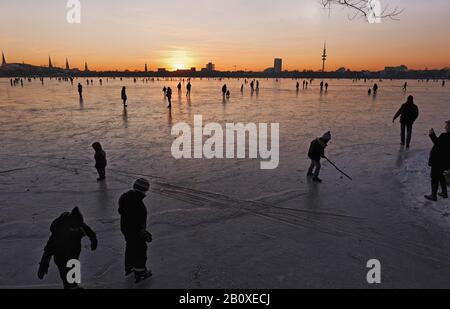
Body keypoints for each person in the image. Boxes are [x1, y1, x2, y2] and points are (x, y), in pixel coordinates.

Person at [38, 207, 97, 289]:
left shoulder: (78, 224)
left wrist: (93, 239)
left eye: (78, 228)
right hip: (61, 259)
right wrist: (43, 266)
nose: (77, 229)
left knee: (75, 279)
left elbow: (87, 230)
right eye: (75, 228)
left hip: (74, 256)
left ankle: (74, 286)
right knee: (68, 283)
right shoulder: (59, 231)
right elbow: (49, 249)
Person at [119, 179, 153, 283]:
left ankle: (129, 268)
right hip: (135, 232)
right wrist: (144, 234)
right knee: (140, 250)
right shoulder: (139, 205)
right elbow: (139, 223)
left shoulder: (124, 197)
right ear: (144, 190)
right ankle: (140, 273)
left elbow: (122, 211)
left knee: (130, 247)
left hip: (126, 229)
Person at [425, 121, 450, 201]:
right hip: (446, 162)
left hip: (438, 161)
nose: (445, 127)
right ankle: (444, 193)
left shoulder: (445, 136)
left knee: (434, 177)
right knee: (441, 176)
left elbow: (438, 144)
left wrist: (432, 134)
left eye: (447, 126)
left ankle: (433, 195)